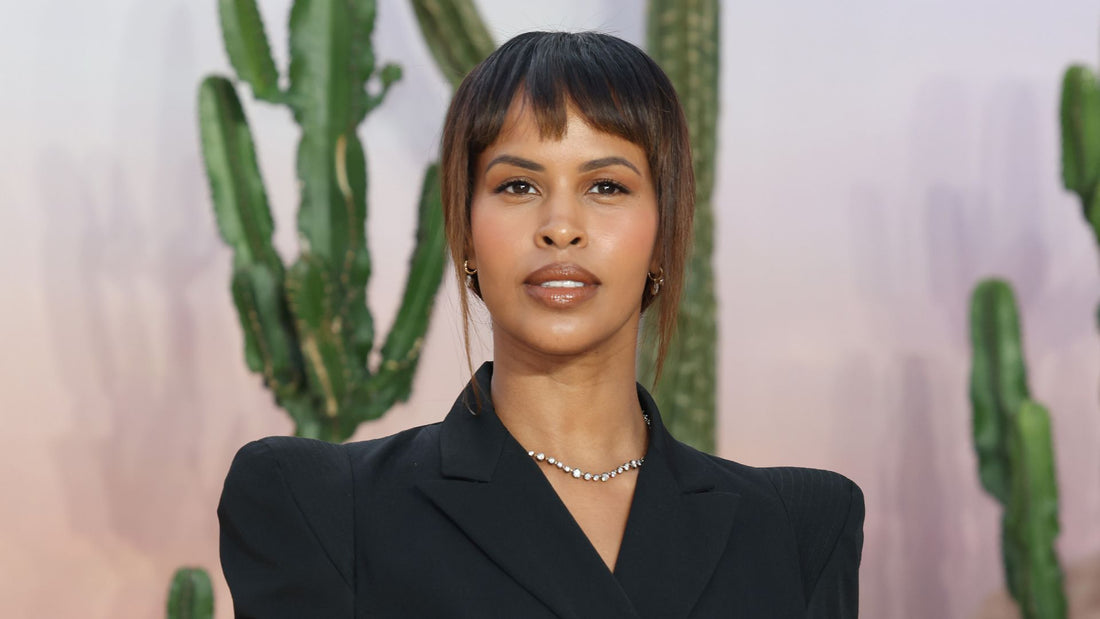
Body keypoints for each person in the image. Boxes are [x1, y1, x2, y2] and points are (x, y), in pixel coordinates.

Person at [218, 31, 864, 618]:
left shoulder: (797, 526)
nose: (560, 225)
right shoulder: (323, 506)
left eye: (607, 186)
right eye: (518, 186)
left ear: (664, 234)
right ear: (465, 230)